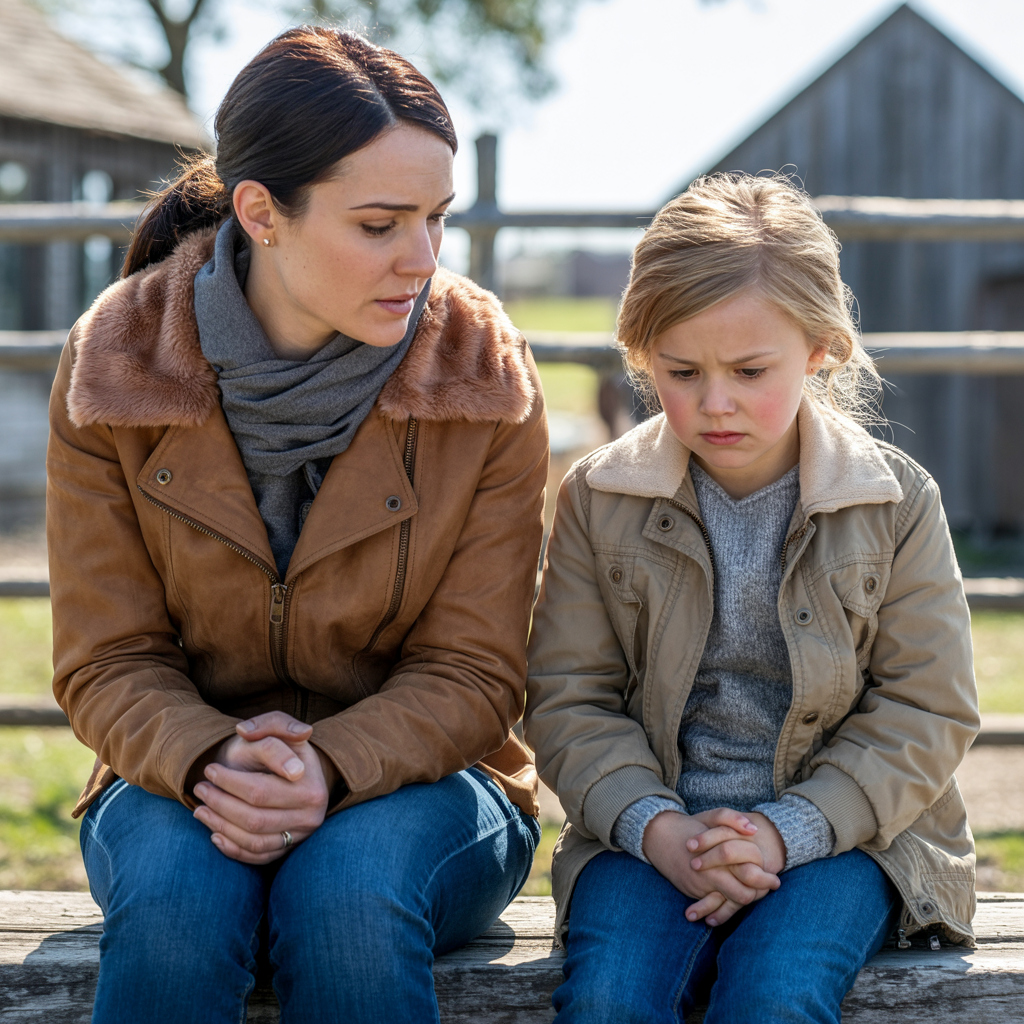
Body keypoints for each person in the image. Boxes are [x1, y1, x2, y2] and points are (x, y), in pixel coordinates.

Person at [47, 27, 547, 1024]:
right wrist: (212, 755)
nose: (421, 259)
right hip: (174, 771)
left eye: (436, 219)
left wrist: (329, 763)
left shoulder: (484, 371)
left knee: (348, 901)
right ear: (261, 212)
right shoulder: (112, 363)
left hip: (434, 779)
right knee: (181, 908)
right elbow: (107, 658)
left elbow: (478, 672)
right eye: (379, 223)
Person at [524, 172, 979, 1023]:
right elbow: (568, 699)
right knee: (610, 1000)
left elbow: (927, 710)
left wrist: (786, 831)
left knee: (774, 994)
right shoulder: (599, 495)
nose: (715, 401)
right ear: (640, 356)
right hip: (646, 831)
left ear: (819, 349)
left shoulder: (895, 501)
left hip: (846, 838)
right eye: (682, 370)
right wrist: (659, 827)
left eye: (749, 369)